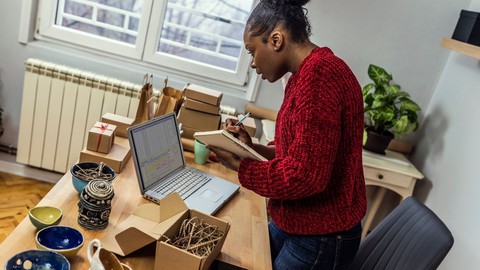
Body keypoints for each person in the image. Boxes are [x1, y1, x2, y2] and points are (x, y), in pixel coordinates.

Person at [207, 0, 367, 269]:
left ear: (276, 39)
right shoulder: (305, 75)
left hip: (321, 235)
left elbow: (306, 176)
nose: (253, 64)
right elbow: (294, 154)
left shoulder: (320, 78)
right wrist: (251, 147)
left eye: (252, 51)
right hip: (297, 222)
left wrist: (241, 168)